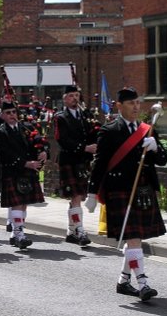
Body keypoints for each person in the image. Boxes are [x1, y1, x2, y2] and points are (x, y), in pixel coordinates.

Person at [85, 87, 167, 301]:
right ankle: (143, 283)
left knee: (134, 238)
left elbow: (162, 160)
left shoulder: (148, 129)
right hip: (119, 190)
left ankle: (124, 281)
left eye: (138, 103)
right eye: (131, 103)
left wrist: (155, 147)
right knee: (133, 238)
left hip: (142, 190)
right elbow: (100, 163)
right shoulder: (109, 130)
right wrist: (92, 193)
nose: (136, 107)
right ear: (119, 106)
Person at [0, 100, 47, 249]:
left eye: (14, 112)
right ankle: (19, 234)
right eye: (8, 113)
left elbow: (38, 141)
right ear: (3, 115)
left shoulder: (26, 128)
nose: (12, 115)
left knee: (24, 204)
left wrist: (43, 151)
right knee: (17, 203)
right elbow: (6, 154)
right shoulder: (1, 132)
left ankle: (17, 233)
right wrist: (25, 163)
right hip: (13, 170)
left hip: (27, 171)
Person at [53, 85, 96, 246]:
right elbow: (61, 139)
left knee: (77, 197)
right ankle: (80, 231)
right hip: (68, 160)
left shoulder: (85, 116)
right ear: (65, 99)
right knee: (76, 196)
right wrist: (84, 147)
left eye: (77, 95)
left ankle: (71, 232)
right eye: (71, 95)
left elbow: (92, 134)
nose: (75, 98)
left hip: (82, 161)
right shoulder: (60, 117)